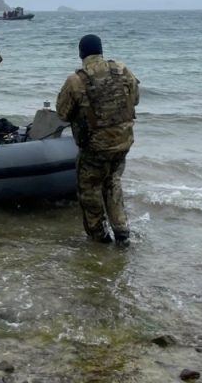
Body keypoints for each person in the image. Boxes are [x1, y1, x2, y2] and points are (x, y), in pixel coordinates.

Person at [55, 34, 140, 246]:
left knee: (89, 188)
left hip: (96, 147)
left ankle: (99, 237)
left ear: (81, 53)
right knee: (113, 181)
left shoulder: (76, 80)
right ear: (101, 50)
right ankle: (122, 231)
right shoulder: (122, 69)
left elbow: (63, 114)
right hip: (123, 142)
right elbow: (135, 98)